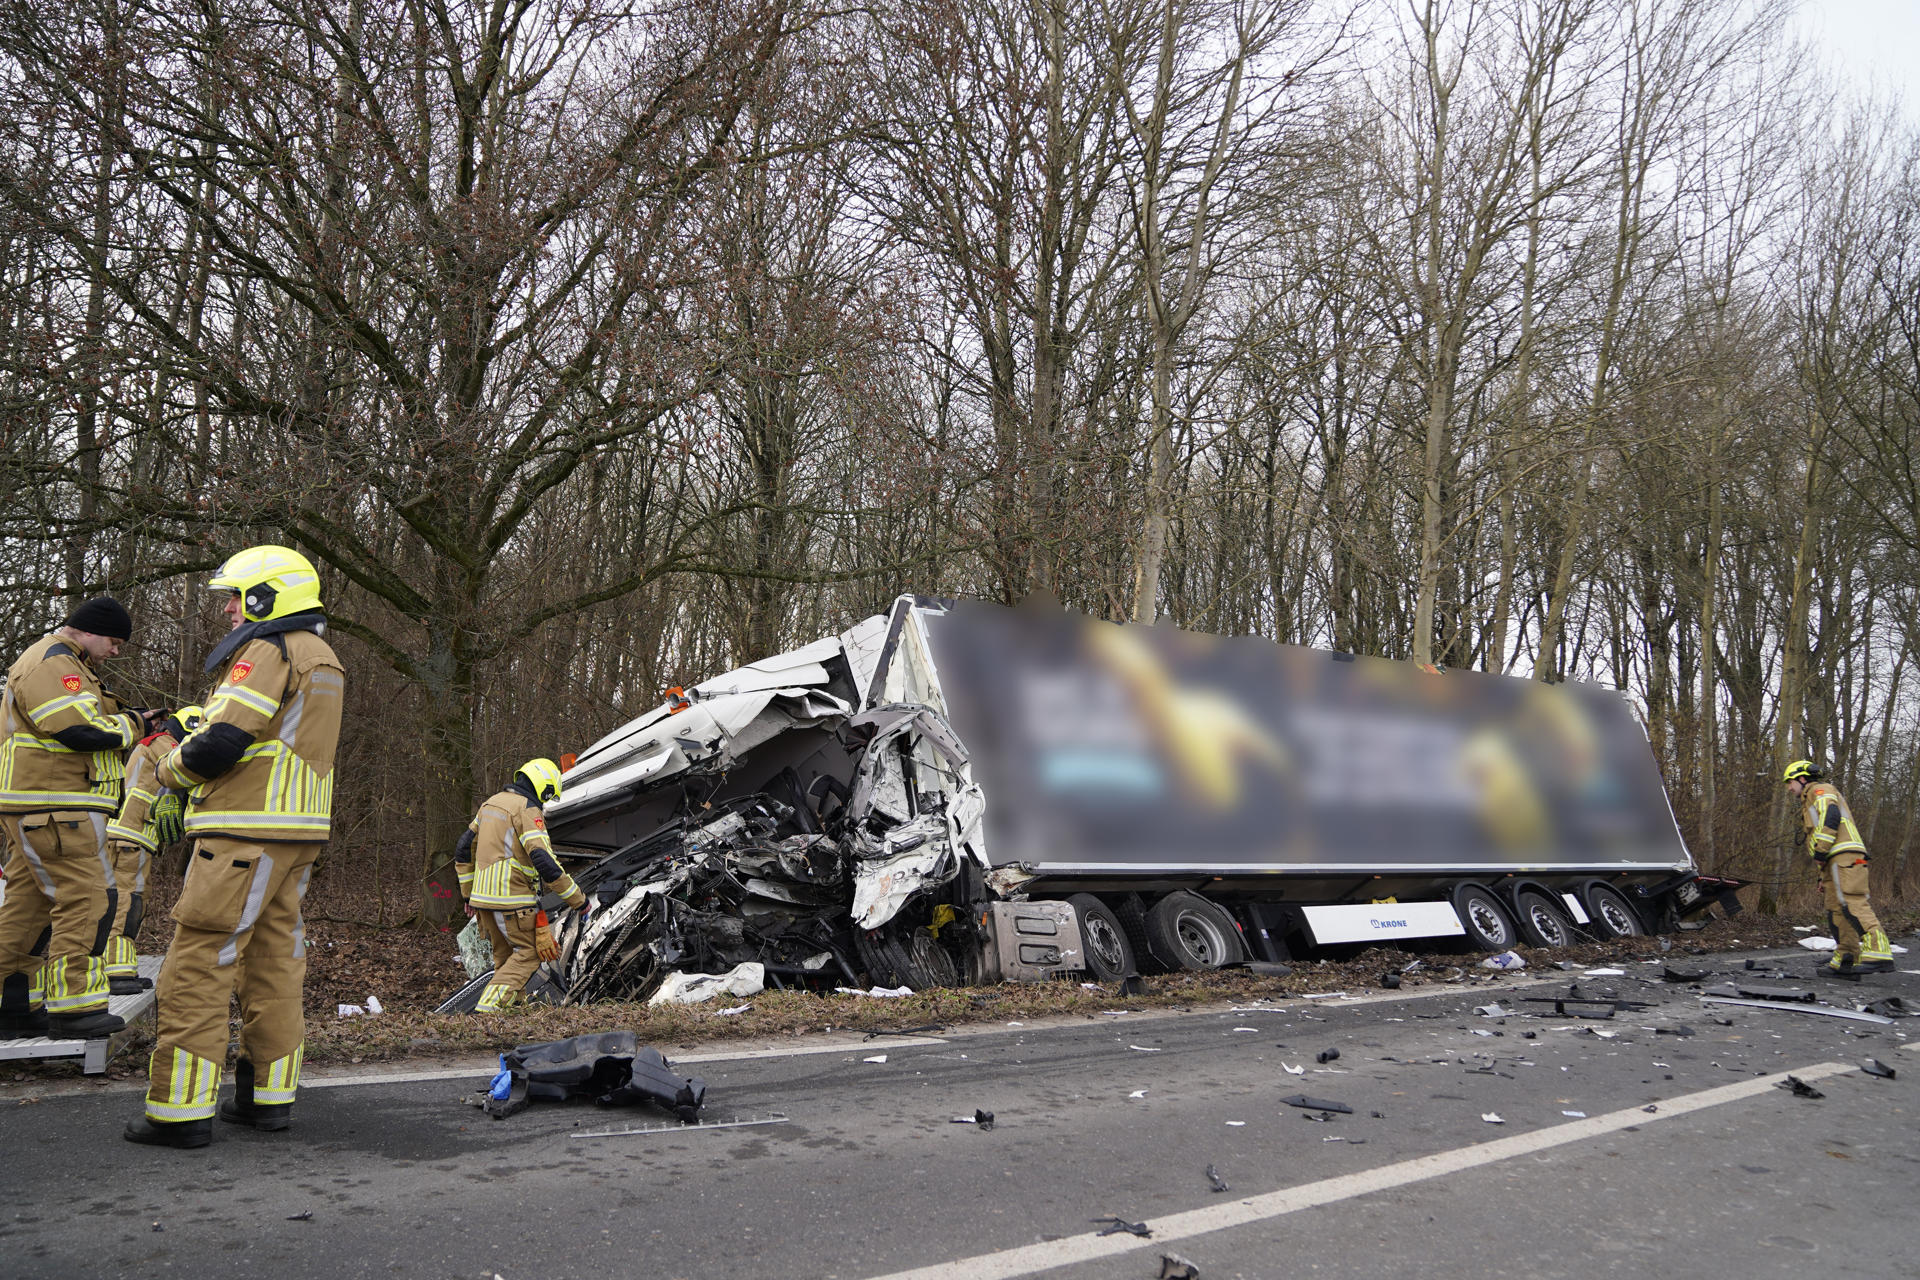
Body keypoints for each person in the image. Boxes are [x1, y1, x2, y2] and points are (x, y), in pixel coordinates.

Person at [125, 547, 343, 1149]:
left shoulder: (270, 649)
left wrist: (167, 775)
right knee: (275, 964)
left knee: (198, 963)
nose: (228, 610)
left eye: (236, 597)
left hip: (243, 832)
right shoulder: (323, 656)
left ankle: (179, 1112)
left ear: (267, 597)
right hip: (297, 834)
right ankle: (265, 1100)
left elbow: (221, 739)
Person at [0, 597, 160, 1039]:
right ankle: (76, 1007)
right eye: (114, 641)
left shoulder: (61, 662)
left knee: (29, 907)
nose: (116, 651)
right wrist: (135, 725)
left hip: (37, 804)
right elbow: (78, 730)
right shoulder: (55, 662)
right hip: (58, 804)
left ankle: (12, 1005)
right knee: (90, 898)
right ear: (88, 630)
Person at [454, 758, 587, 1013]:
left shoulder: (490, 804)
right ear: (542, 786)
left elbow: (463, 849)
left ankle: (511, 1014)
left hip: (484, 903)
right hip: (511, 900)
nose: (545, 802)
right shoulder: (526, 809)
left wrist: (468, 895)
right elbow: (543, 859)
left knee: (506, 962)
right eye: (548, 795)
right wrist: (578, 900)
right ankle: (487, 1011)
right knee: (530, 954)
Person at [101, 706, 202, 994]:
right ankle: (116, 970)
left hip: (132, 836)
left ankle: (118, 967)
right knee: (127, 900)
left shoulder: (154, 743)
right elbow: (186, 770)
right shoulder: (164, 745)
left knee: (132, 899)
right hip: (129, 835)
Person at [1783, 759, 1894, 976]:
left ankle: (1879, 952)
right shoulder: (1809, 799)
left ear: (1802, 778)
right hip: (1834, 860)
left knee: (1853, 903)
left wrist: (1821, 850)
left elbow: (1831, 816)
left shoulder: (1820, 790)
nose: (1789, 788)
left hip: (1845, 856)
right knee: (1837, 910)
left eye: (1790, 782)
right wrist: (1822, 874)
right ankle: (1846, 959)